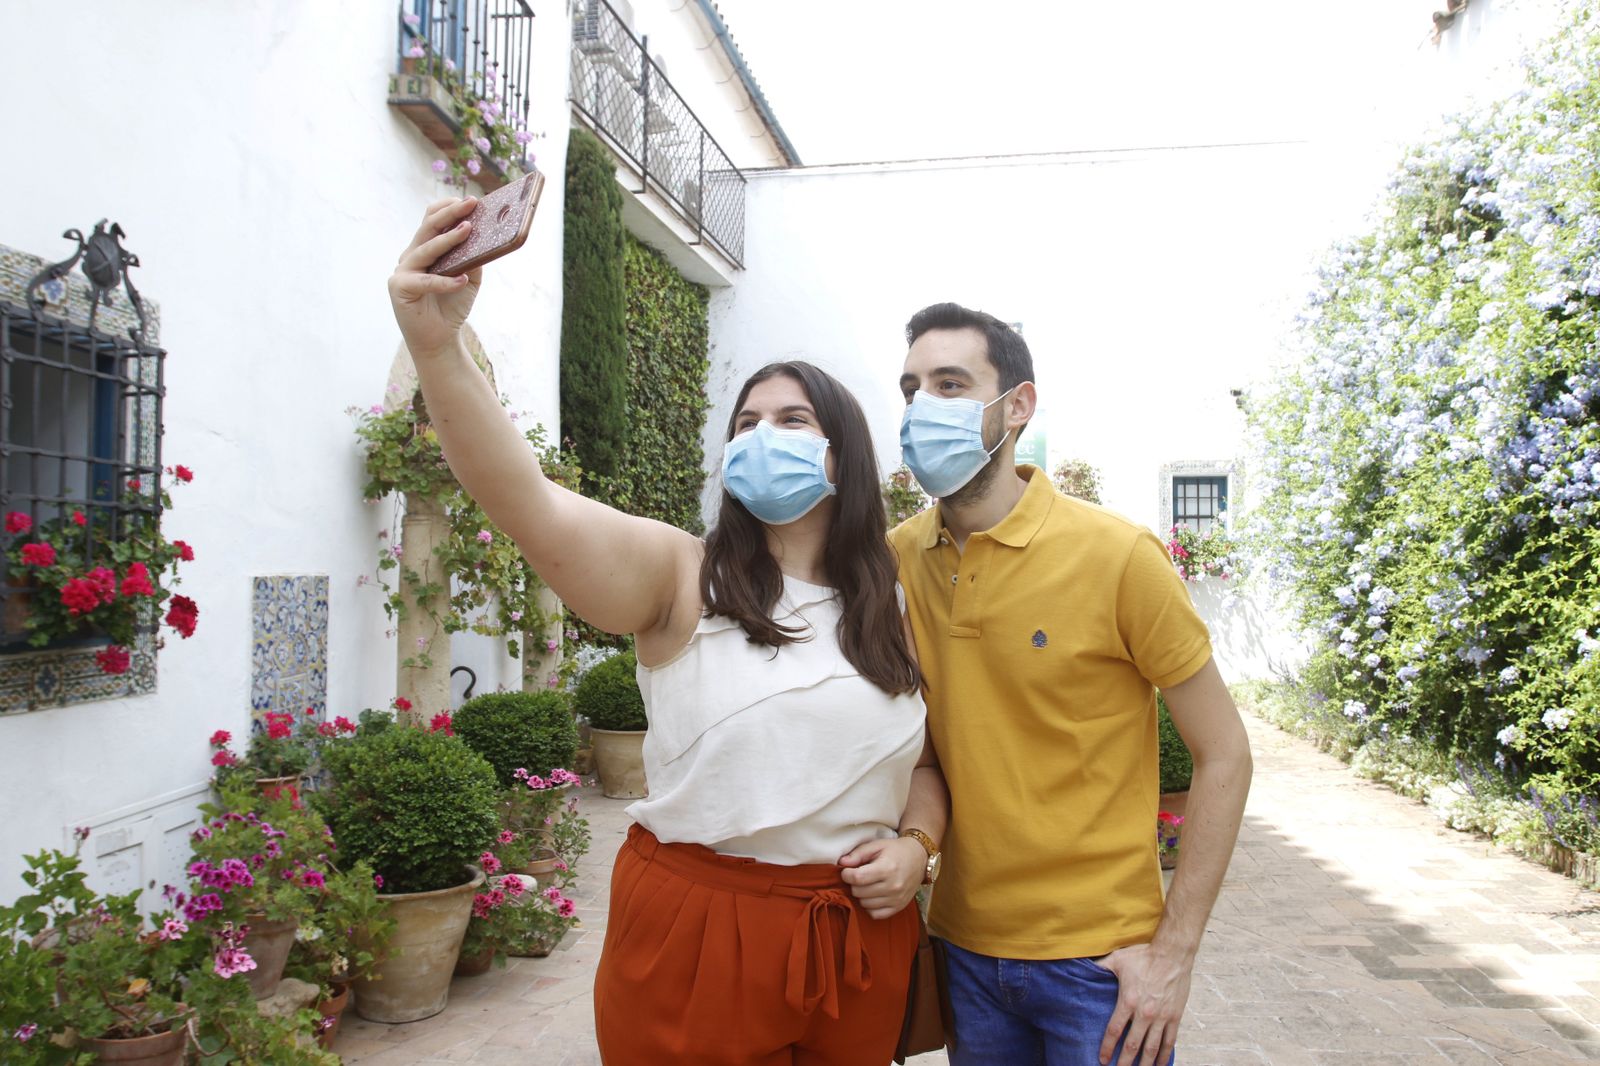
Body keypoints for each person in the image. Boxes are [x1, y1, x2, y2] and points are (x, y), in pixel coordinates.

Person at [386, 196, 948, 1066]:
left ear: (846, 454)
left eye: (793, 420)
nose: (763, 434)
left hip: (857, 936)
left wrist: (917, 849)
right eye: (746, 423)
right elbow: (526, 502)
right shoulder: (681, 574)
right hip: (700, 930)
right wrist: (435, 344)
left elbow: (919, 765)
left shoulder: (897, 597)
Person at [889, 302, 1254, 1066]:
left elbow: (1224, 753)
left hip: (1103, 969)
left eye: (952, 385)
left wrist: (1175, 954)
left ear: (1017, 405)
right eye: (913, 388)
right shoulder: (895, 562)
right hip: (964, 954)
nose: (926, 408)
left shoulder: (1118, 557)